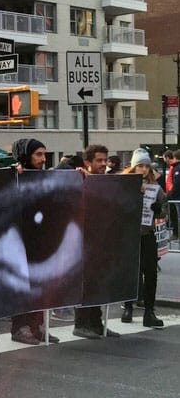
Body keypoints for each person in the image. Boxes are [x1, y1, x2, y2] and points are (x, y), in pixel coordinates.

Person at [73, 144, 120, 339]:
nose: (103, 164)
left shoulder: (105, 180)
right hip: (83, 241)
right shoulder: (79, 179)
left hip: (101, 239)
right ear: (87, 162)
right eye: (99, 160)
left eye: (105, 160)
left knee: (97, 283)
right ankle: (81, 324)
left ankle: (96, 323)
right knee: (85, 284)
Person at [10, 138, 52, 345]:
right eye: (38, 154)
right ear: (26, 155)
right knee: (22, 286)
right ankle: (20, 327)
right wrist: (12, 175)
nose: (43, 159)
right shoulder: (13, 175)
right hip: (20, 240)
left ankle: (37, 326)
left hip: (40, 239)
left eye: (44, 154)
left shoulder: (44, 176)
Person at [121, 150, 166, 329]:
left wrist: (157, 209)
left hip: (147, 234)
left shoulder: (155, 186)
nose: (144, 169)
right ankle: (128, 307)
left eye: (147, 166)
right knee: (131, 272)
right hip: (129, 235)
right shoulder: (123, 184)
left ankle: (149, 311)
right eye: (140, 165)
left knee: (151, 273)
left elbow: (164, 209)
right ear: (133, 167)